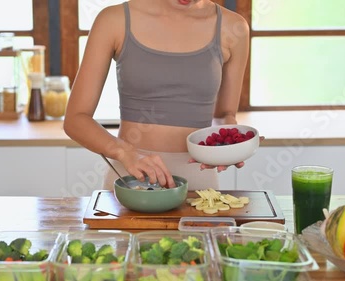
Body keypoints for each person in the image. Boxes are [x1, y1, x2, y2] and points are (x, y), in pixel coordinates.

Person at [63, 0, 250, 190]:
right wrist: (126, 153)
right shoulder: (113, 20)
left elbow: (224, 115)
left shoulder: (233, 27)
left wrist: (227, 145)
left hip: (199, 182)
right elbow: (75, 120)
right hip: (132, 179)